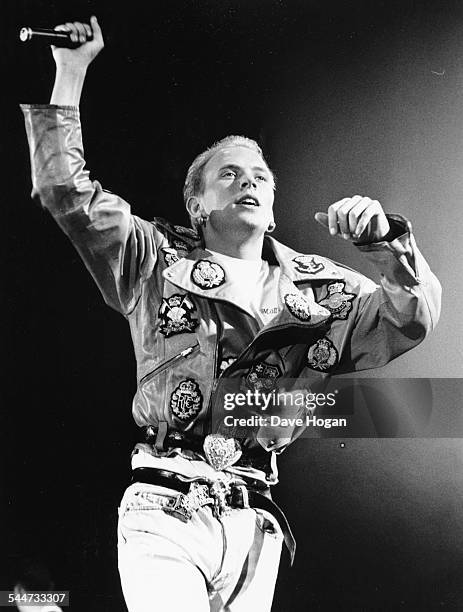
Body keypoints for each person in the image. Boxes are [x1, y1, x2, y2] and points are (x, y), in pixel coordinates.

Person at [20, 16, 441, 612]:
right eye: (229, 174)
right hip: (164, 510)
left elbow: (410, 319)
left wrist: (387, 243)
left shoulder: (325, 290)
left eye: (260, 176)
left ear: (271, 207)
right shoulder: (150, 260)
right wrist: (71, 72)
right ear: (197, 204)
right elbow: (68, 192)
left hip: (254, 526)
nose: (248, 181)